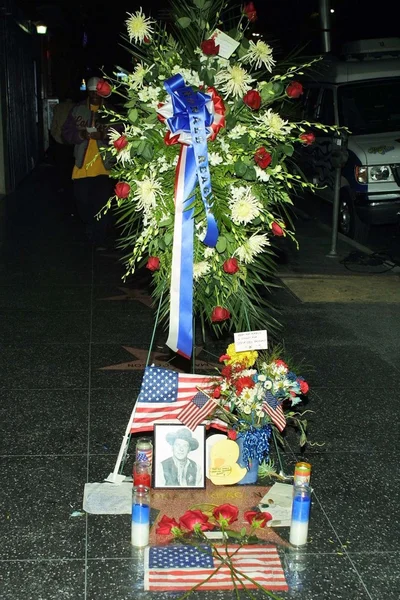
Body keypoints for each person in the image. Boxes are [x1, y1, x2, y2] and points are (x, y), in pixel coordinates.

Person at [62, 76, 115, 248]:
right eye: (92, 91)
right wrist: (81, 135)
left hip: (103, 169)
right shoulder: (77, 110)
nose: (94, 95)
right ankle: (90, 228)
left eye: (98, 92)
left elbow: (121, 137)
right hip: (81, 168)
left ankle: (98, 239)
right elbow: (66, 133)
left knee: (101, 206)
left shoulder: (111, 112)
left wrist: (104, 137)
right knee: (83, 204)